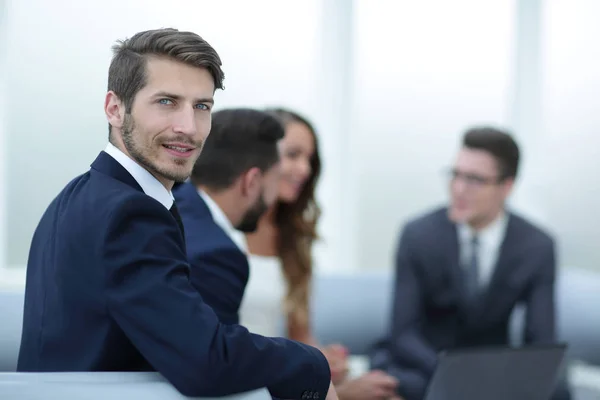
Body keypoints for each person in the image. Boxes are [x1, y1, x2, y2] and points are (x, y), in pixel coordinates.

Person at [17, 28, 338, 400]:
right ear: (115, 108)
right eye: (167, 102)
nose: (188, 128)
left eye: (201, 106)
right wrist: (313, 365)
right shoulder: (132, 213)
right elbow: (205, 361)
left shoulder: (75, 195)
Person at [370, 127, 571, 400]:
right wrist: (454, 375)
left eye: (475, 179)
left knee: (557, 389)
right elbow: (403, 332)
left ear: (506, 186)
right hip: (426, 364)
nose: (459, 189)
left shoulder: (536, 246)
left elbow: (541, 340)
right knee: (393, 384)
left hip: (490, 367)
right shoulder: (418, 235)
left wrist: (496, 378)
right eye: (455, 175)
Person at [241, 108, 402, 400]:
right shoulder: (222, 229)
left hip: (280, 374)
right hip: (245, 378)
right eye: (293, 155)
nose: (304, 169)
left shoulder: (291, 238)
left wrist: (326, 359)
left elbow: (300, 334)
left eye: (309, 159)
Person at [173, 108, 283, 326]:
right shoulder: (216, 254)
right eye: (276, 180)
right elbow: (216, 355)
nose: (274, 196)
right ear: (251, 182)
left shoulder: (171, 205)